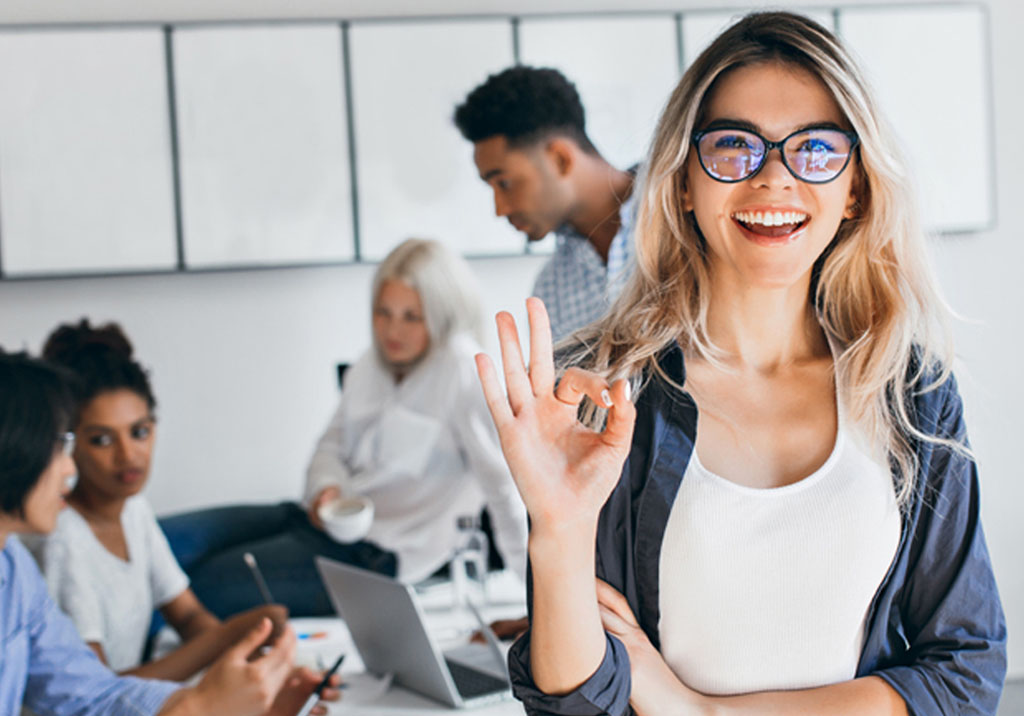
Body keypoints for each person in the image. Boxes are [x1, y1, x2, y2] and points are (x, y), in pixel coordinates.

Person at [475, 11, 1006, 716]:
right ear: (683, 183)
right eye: (733, 146)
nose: (774, 178)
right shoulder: (615, 394)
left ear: (854, 187)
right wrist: (558, 529)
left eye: (815, 148)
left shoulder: (909, 390)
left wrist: (702, 710)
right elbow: (572, 706)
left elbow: (965, 672)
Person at [0, 350, 339, 716]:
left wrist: (243, 700)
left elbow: (93, 695)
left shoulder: (16, 569)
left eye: (139, 432)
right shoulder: (59, 544)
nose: (69, 468)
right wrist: (202, 703)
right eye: (57, 448)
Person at [27, 320, 287, 681]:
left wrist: (248, 659)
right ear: (69, 444)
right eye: (102, 440)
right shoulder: (63, 541)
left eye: (139, 432)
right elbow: (96, 692)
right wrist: (226, 638)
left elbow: (188, 616)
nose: (128, 455)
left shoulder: (133, 509)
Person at [304, 238, 528, 585]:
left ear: (441, 317)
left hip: (381, 554)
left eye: (412, 317)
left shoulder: (460, 368)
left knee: (218, 577)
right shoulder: (370, 364)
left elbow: (502, 485)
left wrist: (534, 592)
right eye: (384, 313)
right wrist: (326, 489)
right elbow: (330, 445)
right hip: (331, 528)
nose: (393, 330)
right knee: (206, 533)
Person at [455, 66, 638, 342]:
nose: (500, 209)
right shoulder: (552, 290)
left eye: (504, 183)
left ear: (559, 159)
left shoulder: (684, 211)